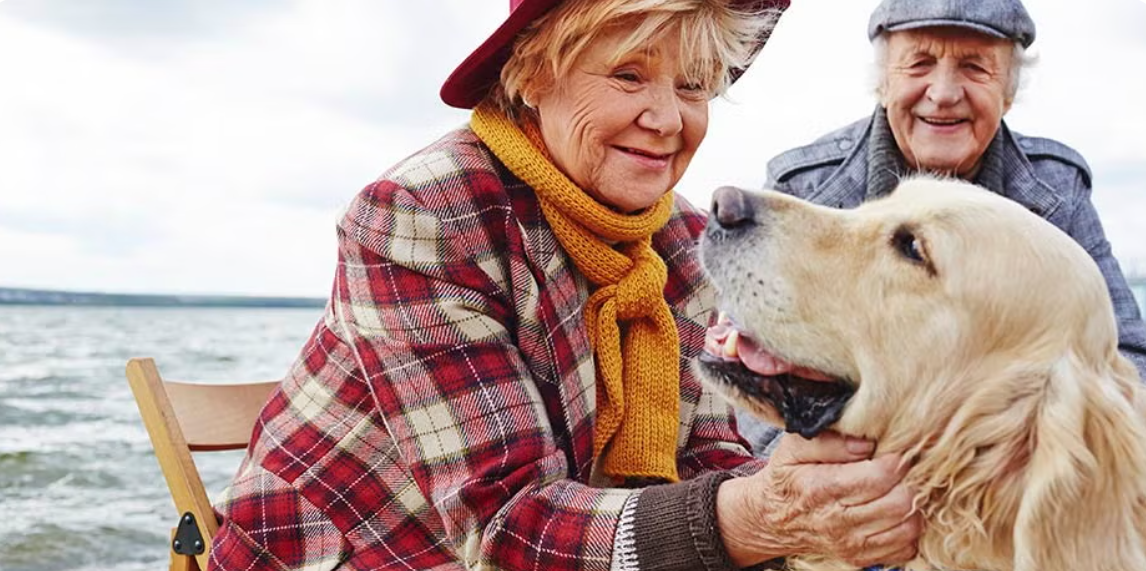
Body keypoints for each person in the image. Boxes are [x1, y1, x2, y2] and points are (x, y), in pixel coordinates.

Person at [207, 1, 928, 570]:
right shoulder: (421, 214)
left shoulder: (680, 240)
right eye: (628, 75)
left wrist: (815, 496)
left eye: (694, 87)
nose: (667, 119)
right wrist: (765, 512)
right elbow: (506, 529)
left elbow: (706, 457)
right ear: (533, 72)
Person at [737, 0, 1146, 459]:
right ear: (883, 82)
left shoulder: (1057, 188)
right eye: (920, 63)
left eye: (974, 67)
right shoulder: (804, 188)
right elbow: (753, 380)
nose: (944, 92)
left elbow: (1125, 359)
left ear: (1008, 94)